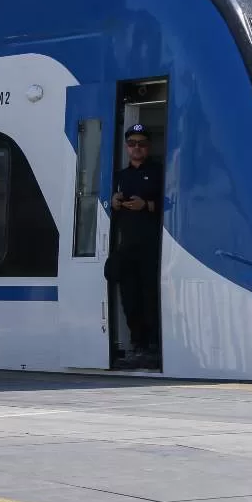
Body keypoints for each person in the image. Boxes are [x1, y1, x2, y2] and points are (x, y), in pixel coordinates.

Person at [110, 124, 163, 366]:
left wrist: (147, 205)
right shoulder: (119, 177)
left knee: (150, 297)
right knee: (130, 299)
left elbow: (172, 203)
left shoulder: (160, 172)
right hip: (127, 247)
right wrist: (114, 202)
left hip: (152, 247)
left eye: (141, 143)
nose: (137, 148)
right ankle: (136, 344)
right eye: (132, 144)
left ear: (148, 147)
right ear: (127, 147)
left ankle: (153, 346)